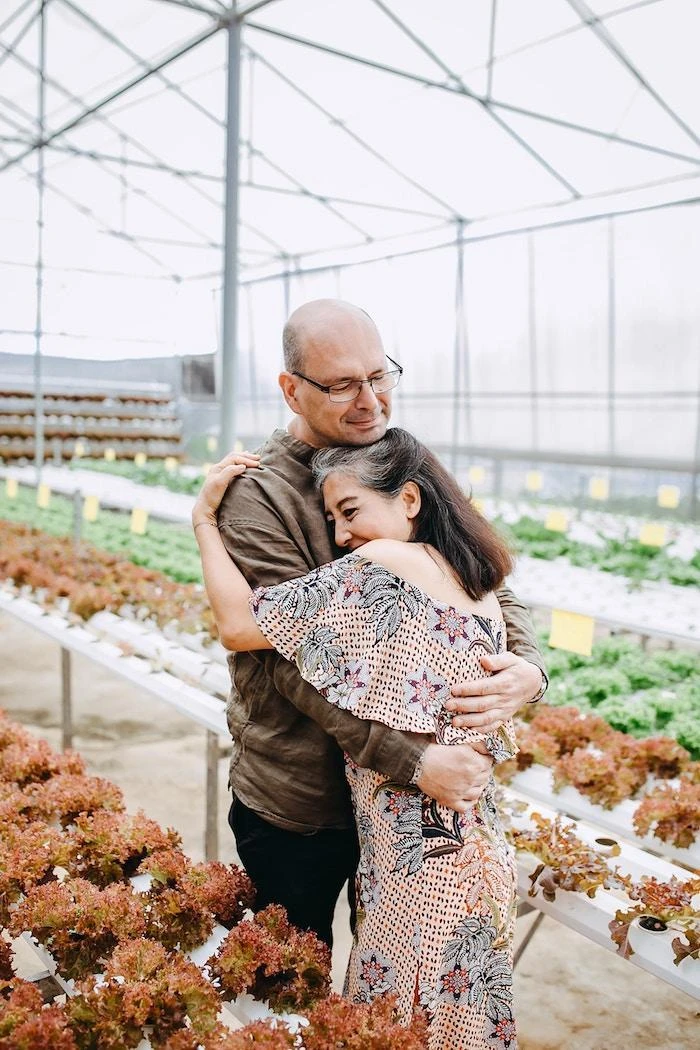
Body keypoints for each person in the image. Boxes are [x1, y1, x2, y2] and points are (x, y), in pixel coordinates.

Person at [210, 299, 546, 947]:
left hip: (406, 810)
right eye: (341, 385)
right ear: (291, 390)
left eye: (379, 376)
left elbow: (478, 567)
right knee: (294, 990)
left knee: (393, 996)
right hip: (304, 802)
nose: (369, 401)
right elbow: (291, 665)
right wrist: (414, 761)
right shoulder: (259, 494)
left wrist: (528, 668)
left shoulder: (396, 459)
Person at [192, 427, 520, 1049]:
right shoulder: (469, 576)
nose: (342, 536)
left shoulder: (386, 565)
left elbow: (238, 625)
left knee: (391, 1032)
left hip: (419, 863)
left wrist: (205, 521)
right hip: (471, 849)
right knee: (455, 1031)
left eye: (351, 512)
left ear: (411, 501)